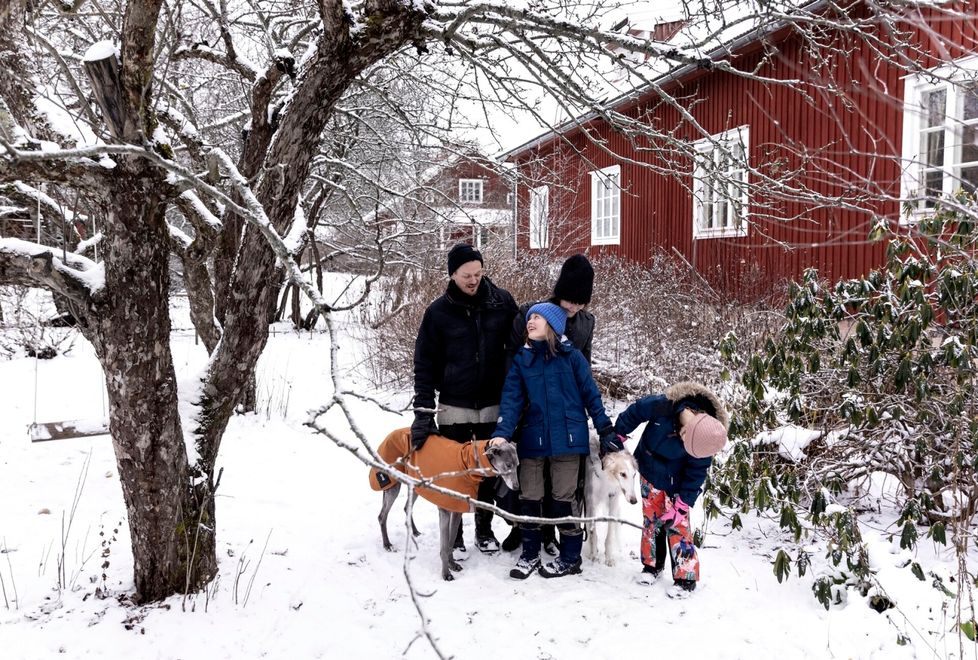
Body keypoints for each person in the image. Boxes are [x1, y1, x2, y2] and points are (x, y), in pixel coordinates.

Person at [491, 302, 617, 579]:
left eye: (537, 317)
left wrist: (605, 428)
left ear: (552, 325)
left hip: (569, 439)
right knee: (529, 496)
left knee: (564, 498)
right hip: (533, 438)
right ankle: (530, 553)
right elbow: (511, 400)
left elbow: (591, 395)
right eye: (529, 317)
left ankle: (571, 557)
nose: (530, 321)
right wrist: (502, 432)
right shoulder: (522, 361)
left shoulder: (572, 357)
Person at [411, 243, 518, 554]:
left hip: (492, 403)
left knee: (487, 472)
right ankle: (454, 533)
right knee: (456, 472)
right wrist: (423, 413)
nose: (474, 280)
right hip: (453, 407)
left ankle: (483, 529)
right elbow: (424, 365)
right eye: (466, 275)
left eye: (478, 273)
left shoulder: (502, 302)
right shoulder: (437, 312)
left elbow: (519, 345)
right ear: (452, 274)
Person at [504, 254, 596, 554]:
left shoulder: (585, 323)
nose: (573, 307)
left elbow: (585, 371)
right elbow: (515, 364)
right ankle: (524, 529)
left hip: (565, 415)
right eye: (569, 300)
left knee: (563, 482)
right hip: (532, 410)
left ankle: (555, 535)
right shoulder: (533, 315)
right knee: (530, 478)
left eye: (580, 303)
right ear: (559, 292)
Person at [604, 382, 728, 595]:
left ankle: (685, 577)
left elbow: (696, 474)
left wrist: (682, 504)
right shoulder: (662, 405)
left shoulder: (704, 440)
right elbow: (635, 412)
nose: (684, 443)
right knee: (651, 520)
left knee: (677, 525)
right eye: (684, 438)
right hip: (649, 469)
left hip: (676, 482)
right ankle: (652, 565)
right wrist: (618, 434)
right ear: (689, 426)